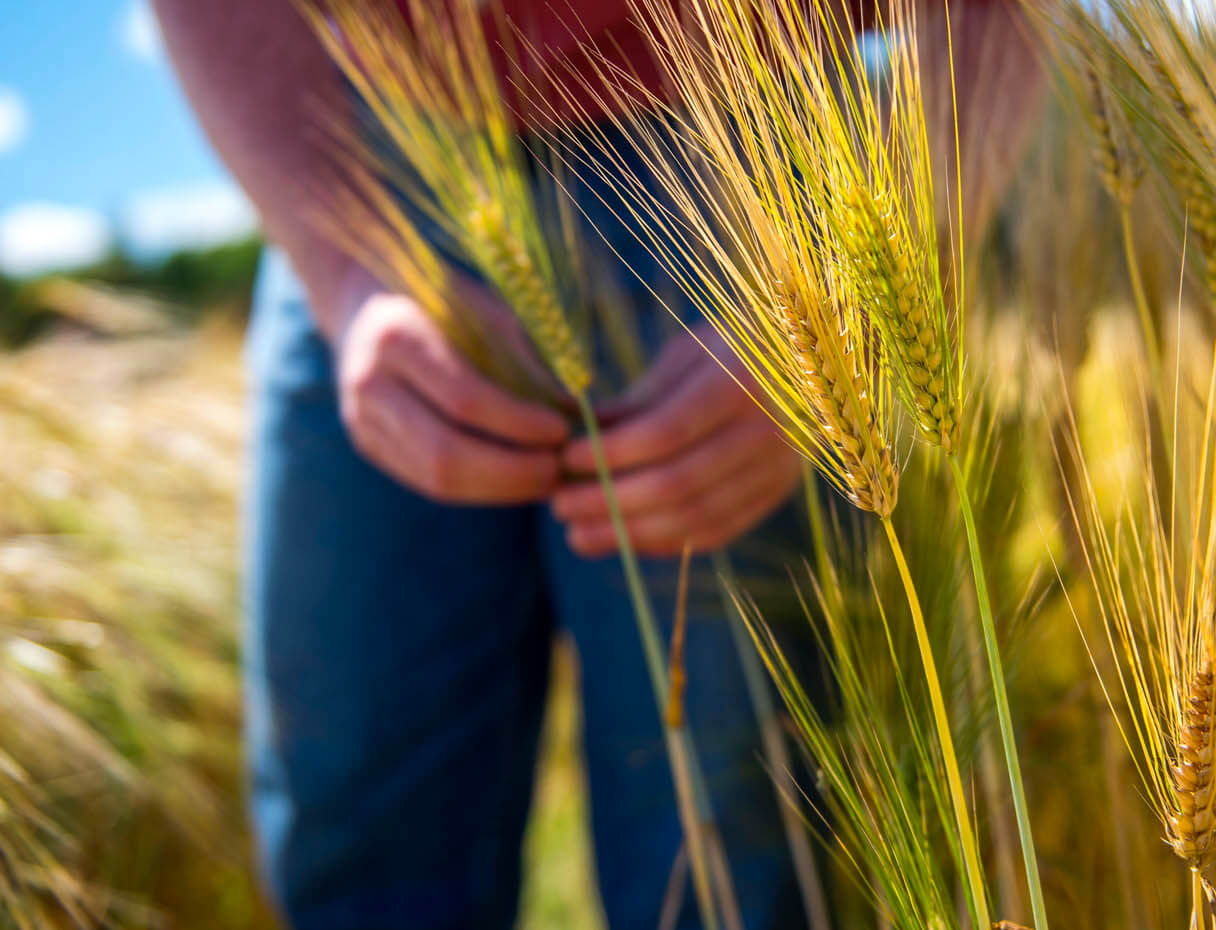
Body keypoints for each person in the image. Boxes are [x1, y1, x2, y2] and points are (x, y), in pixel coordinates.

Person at [150, 2, 1034, 928]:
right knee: (359, 838)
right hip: (359, 143)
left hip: (746, 138)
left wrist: (861, 281)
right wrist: (346, 266)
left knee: (734, 857)